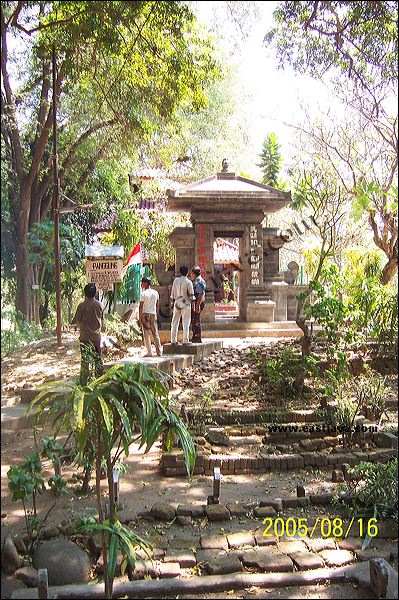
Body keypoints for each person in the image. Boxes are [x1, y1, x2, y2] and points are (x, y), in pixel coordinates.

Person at [71, 283, 104, 386]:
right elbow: (101, 318)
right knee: (98, 359)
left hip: (85, 337)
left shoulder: (81, 306)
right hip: (96, 337)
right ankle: (100, 381)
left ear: (85, 293)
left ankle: (83, 383)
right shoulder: (99, 305)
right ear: (95, 293)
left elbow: (78, 320)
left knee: (85, 361)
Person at [170, 265, 195, 345]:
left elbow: (172, 294)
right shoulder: (188, 282)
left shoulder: (176, 281)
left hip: (177, 301)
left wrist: (171, 303)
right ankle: (185, 340)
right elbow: (191, 295)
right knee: (186, 322)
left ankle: (173, 340)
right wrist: (193, 304)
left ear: (180, 272)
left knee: (175, 322)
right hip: (185, 302)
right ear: (187, 273)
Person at [138, 277, 162, 357]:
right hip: (153, 314)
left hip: (145, 314)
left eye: (142, 282)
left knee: (146, 334)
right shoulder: (156, 293)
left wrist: (139, 317)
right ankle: (159, 352)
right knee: (155, 333)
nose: (141, 284)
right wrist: (156, 314)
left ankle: (149, 352)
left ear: (145, 283)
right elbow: (157, 305)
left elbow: (141, 307)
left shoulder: (143, 293)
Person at [191, 266, 206, 343]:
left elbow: (200, 294)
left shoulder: (199, 281)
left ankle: (197, 337)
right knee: (194, 320)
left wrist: (197, 306)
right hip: (196, 302)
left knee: (196, 320)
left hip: (198, 302)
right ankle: (195, 336)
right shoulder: (196, 280)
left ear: (194, 273)